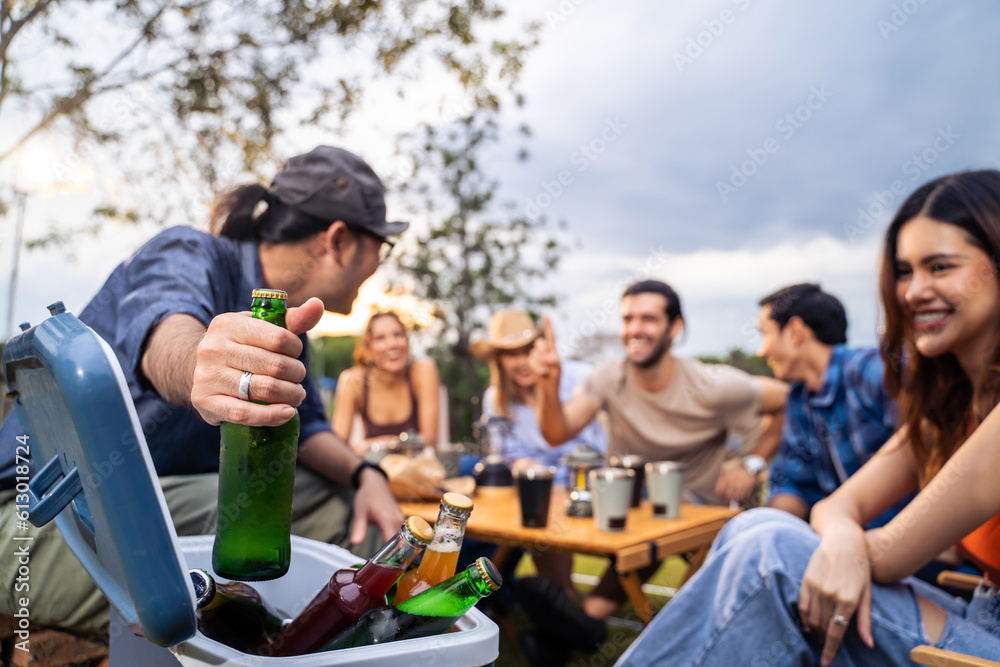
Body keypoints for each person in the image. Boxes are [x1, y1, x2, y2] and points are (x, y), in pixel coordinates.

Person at [0, 145, 405, 635]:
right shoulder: (189, 253)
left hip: (115, 507)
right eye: (381, 245)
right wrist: (203, 365)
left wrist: (367, 473)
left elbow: (311, 423)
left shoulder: (290, 332)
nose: (379, 263)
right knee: (310, 518)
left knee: (328, 495)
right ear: (338, 239)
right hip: (35, 519)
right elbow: (165, 336)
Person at [616, 169, 1000, 666]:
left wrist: (834, 536)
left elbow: (887, 550)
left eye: (941, 266)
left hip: (929, 571)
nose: (913, 291)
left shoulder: (871, 373)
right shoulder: (947, 406)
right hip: (968, 601)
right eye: (904, 271)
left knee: (770, 554)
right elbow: (826, 503)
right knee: (755, 529)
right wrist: (834, 530)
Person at [516, 280, 788, 659]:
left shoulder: (712, 384)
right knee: (633, 527)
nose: (635, 329)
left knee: (660, 534)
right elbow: (557, 430)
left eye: (648, 318)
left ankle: (585, 629)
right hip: (631, 507)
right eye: (628, 318)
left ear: (675, 328)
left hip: (699, 512)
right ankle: (580, 628)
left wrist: (752, 463)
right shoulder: (609, 377)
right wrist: (549, 385)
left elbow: (789, 401)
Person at [757, 282, 905, 526]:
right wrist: (773, 526)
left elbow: (934, 456)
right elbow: (793, 482)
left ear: (795, 331)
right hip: (840, 538)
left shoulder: (872, 371)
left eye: (765, 333)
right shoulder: (799, 399)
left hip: (911, 543)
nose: (761, 351)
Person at [470, 309, 607, 484]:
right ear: (498, 360)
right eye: (512, 354)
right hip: (538, 488)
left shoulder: (581, 377)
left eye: (528, 351)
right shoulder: (495, 399)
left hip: (591, 484)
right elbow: (514, 459)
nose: (522, 363)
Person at [332, 311, 441, 456]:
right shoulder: (353, 381)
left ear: (407, 341)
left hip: (416, 472)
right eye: (380, 338)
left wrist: (385, 443)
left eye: (399, 335)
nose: (393, 344)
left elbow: (429, 439)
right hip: (374, 472)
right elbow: (337, 445)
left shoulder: (422, 370)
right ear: (367, 351)